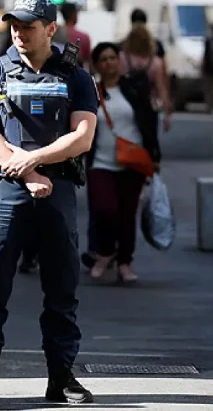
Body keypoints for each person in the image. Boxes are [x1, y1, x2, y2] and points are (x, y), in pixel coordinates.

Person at [0, 0, 97, 405]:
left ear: (51, 29)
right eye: (14, 26)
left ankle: (61, 376)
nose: (19, 33)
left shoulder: (75, 76)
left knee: (61, 290)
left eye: (28, 26)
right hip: (6, 189)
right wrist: (29, 172)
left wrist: (36, 160)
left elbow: (83, 136)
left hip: (56, 192)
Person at [86, 42, 160, 282]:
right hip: (100, 161)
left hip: (133, 161)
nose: (109, 63)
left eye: (112, 58)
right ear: (97, 65)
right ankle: (106, 252)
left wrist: (154, 155)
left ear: (119, 60)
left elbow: (149, 122)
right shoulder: (91, 92)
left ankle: (125, 262)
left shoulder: (134, 89)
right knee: (104, 209)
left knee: (127, 215)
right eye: (103, 59)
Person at [60, 2, 91, 70]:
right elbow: (88, 61)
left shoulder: (54, 34)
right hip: (76, 74)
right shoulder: (83, 37)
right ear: (74, 14)